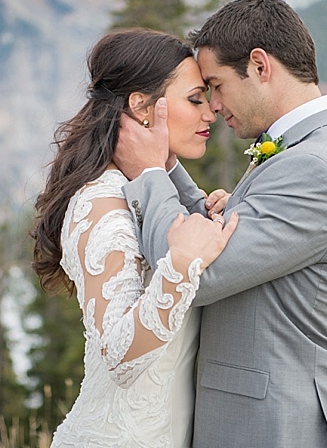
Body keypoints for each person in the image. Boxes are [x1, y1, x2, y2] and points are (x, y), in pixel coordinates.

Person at [114, 0, 327, 447]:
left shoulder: (314, 168)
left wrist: (150, 172)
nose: (213, 105)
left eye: (215, 84)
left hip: (281, 428)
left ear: (259, 66)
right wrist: (172, 164)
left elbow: (194, 271)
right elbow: (228, 243)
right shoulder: (303, 151)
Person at [31, 28, 238, 448]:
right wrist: (181, 265)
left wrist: (206, 216)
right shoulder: (101, 204)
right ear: (141, 107)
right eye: (195, 99)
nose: (210, 113)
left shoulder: (146, 190)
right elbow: (119, 356)